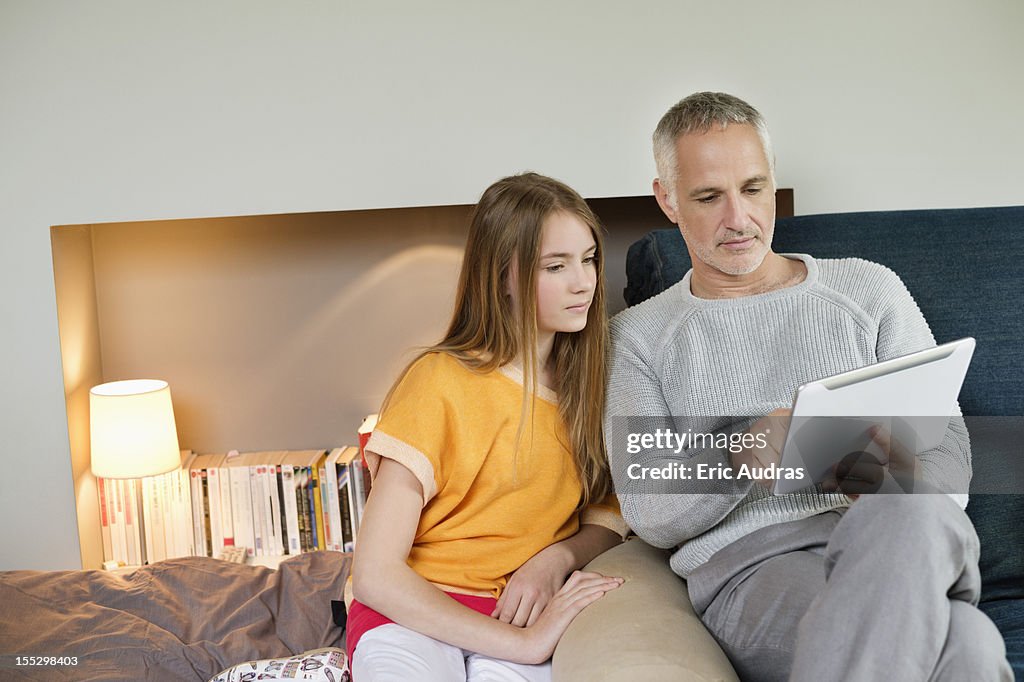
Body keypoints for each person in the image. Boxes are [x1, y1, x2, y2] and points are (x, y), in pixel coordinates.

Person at [605, 92, 1012, 680]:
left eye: (753, 188)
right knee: (969, 645)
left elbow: (951, 473)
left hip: (898, 545)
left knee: (914, 510)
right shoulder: (639, 337)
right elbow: (650, 511)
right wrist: (743, 454)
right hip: (755, 566)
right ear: (667, 198)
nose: (739, 219)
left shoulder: (869, 291)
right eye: (708, 196)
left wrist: (853, 463)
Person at [350, 172, 628, 681]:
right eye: (556, 266)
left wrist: (557, 557)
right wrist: (522, 645)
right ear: (502, 276)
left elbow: (609, 516)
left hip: (521, 610)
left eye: (588, 259)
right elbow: (374, 575)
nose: (583, 281)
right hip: (414, 611)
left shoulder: (592, 384)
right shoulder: (437, 382)